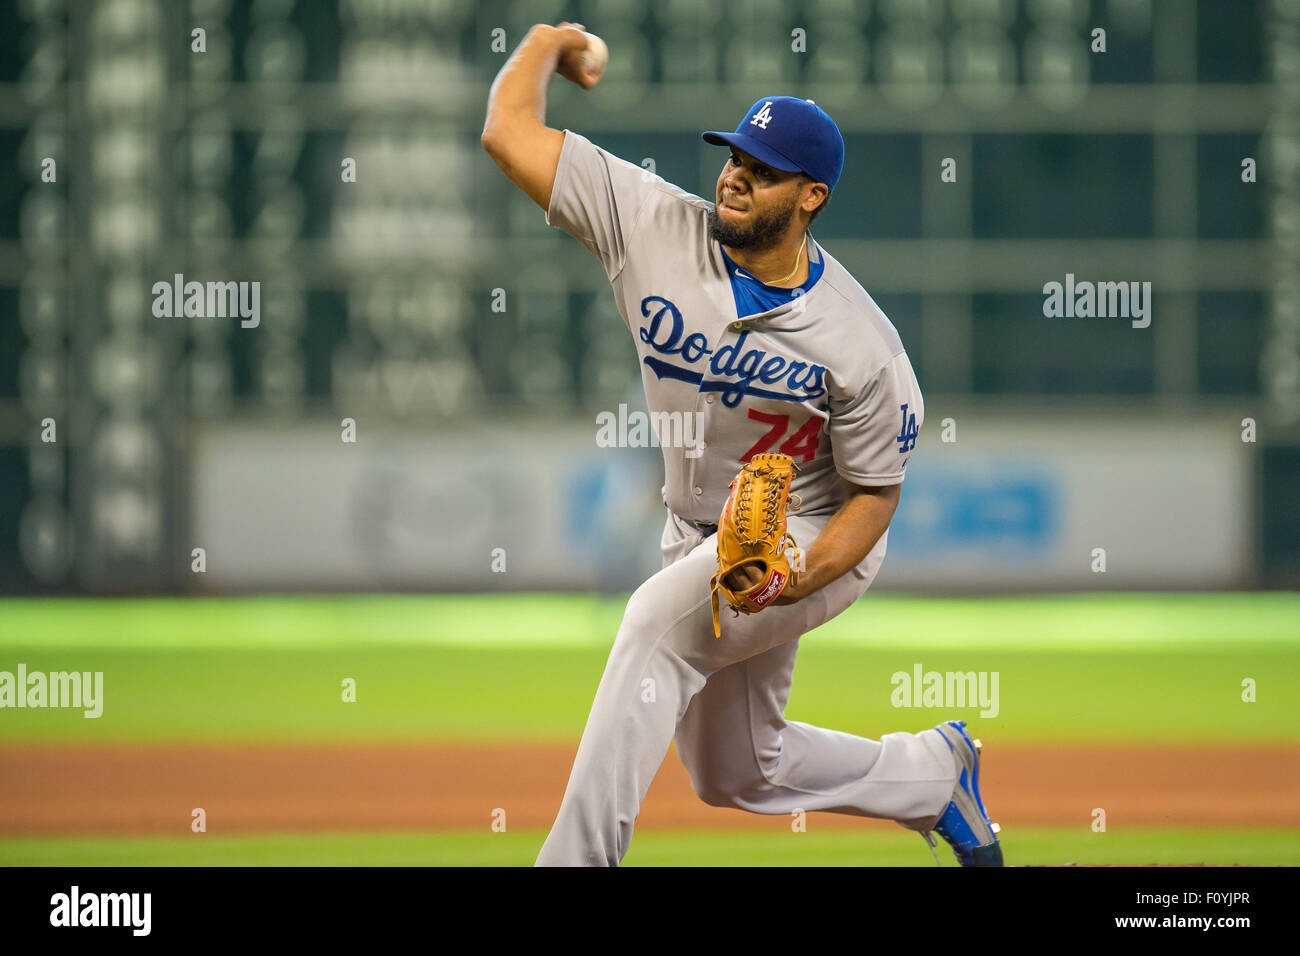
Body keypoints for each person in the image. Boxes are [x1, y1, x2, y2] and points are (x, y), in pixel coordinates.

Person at [481, 22, 1003, 868]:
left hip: (809, 529)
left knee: (653, 620)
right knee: (734, 771)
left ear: (811, 197)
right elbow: (508, 133)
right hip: (696, 529)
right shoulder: (651, 225)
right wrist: (547, 41)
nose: (735, 176)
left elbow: (876, 497)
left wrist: (801, 576)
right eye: (734, 156)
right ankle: (932, 776)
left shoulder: (862, 344)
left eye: (763, 171)